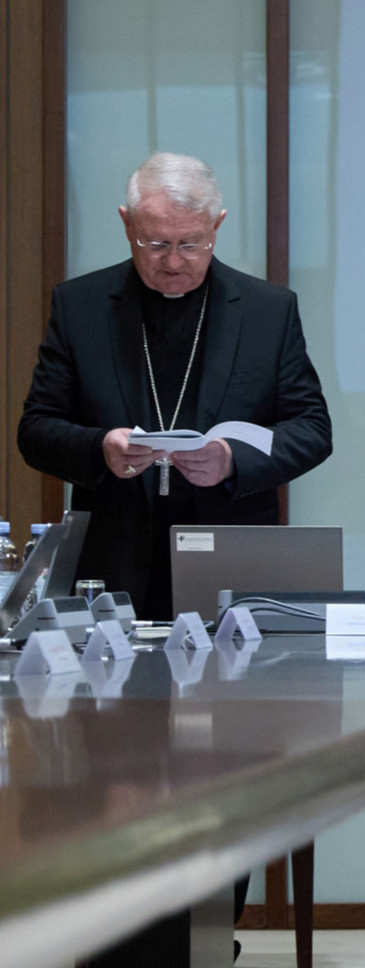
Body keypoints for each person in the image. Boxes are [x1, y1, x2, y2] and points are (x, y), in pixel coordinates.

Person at [18, 152, 333, 622]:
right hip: (112, 562)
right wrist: (99, 448)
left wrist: (232, 460)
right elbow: (37, 430)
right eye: (155, 243)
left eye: (191, 244)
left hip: (232, 558)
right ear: (126, 224)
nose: (172, 262)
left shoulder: (268, 311)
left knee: (231, 694)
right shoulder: (79, 307)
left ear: (217, 226)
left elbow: (312, 429)